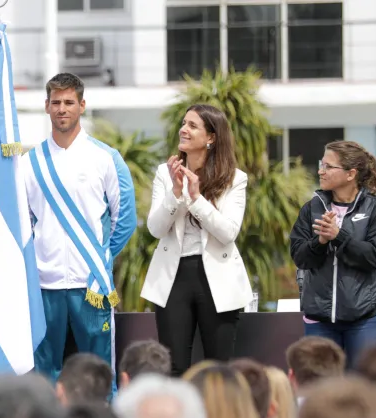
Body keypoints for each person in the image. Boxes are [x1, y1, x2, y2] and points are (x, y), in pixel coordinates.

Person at [21, 72, 137, 383]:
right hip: (45, 284)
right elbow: (21, 224)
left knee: (99, 371)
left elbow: (124, 219)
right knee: (44, 371)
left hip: (92, 286)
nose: (62, 108)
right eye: (55, 102)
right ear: (46, 106)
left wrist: (102, 258)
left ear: (82, 105)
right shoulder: (28, 163)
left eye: (69, 102)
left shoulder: (106, 158)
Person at [140, 104, 252, 376]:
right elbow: (155, 228)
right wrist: (176, 193)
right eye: (183, 123)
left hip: (217, 276)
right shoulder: (164, 174)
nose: (183, 129)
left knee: (218, 369)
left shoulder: (234, 179)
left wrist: (195, 197)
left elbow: (228, 233)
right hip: (173, 275)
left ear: (211, 137)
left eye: (192, 125)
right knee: (174, 366)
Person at [290, 140, 376, 368]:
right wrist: (320, 241)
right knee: (320, 390)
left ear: (350, 174)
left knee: (365, 389)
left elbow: (373, 257)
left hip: (363, 320)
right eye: (321, 164)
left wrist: (339, 236)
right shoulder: (312, 208)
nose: (320, 171)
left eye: (328, 166)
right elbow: (300, 257)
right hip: (319, 321)